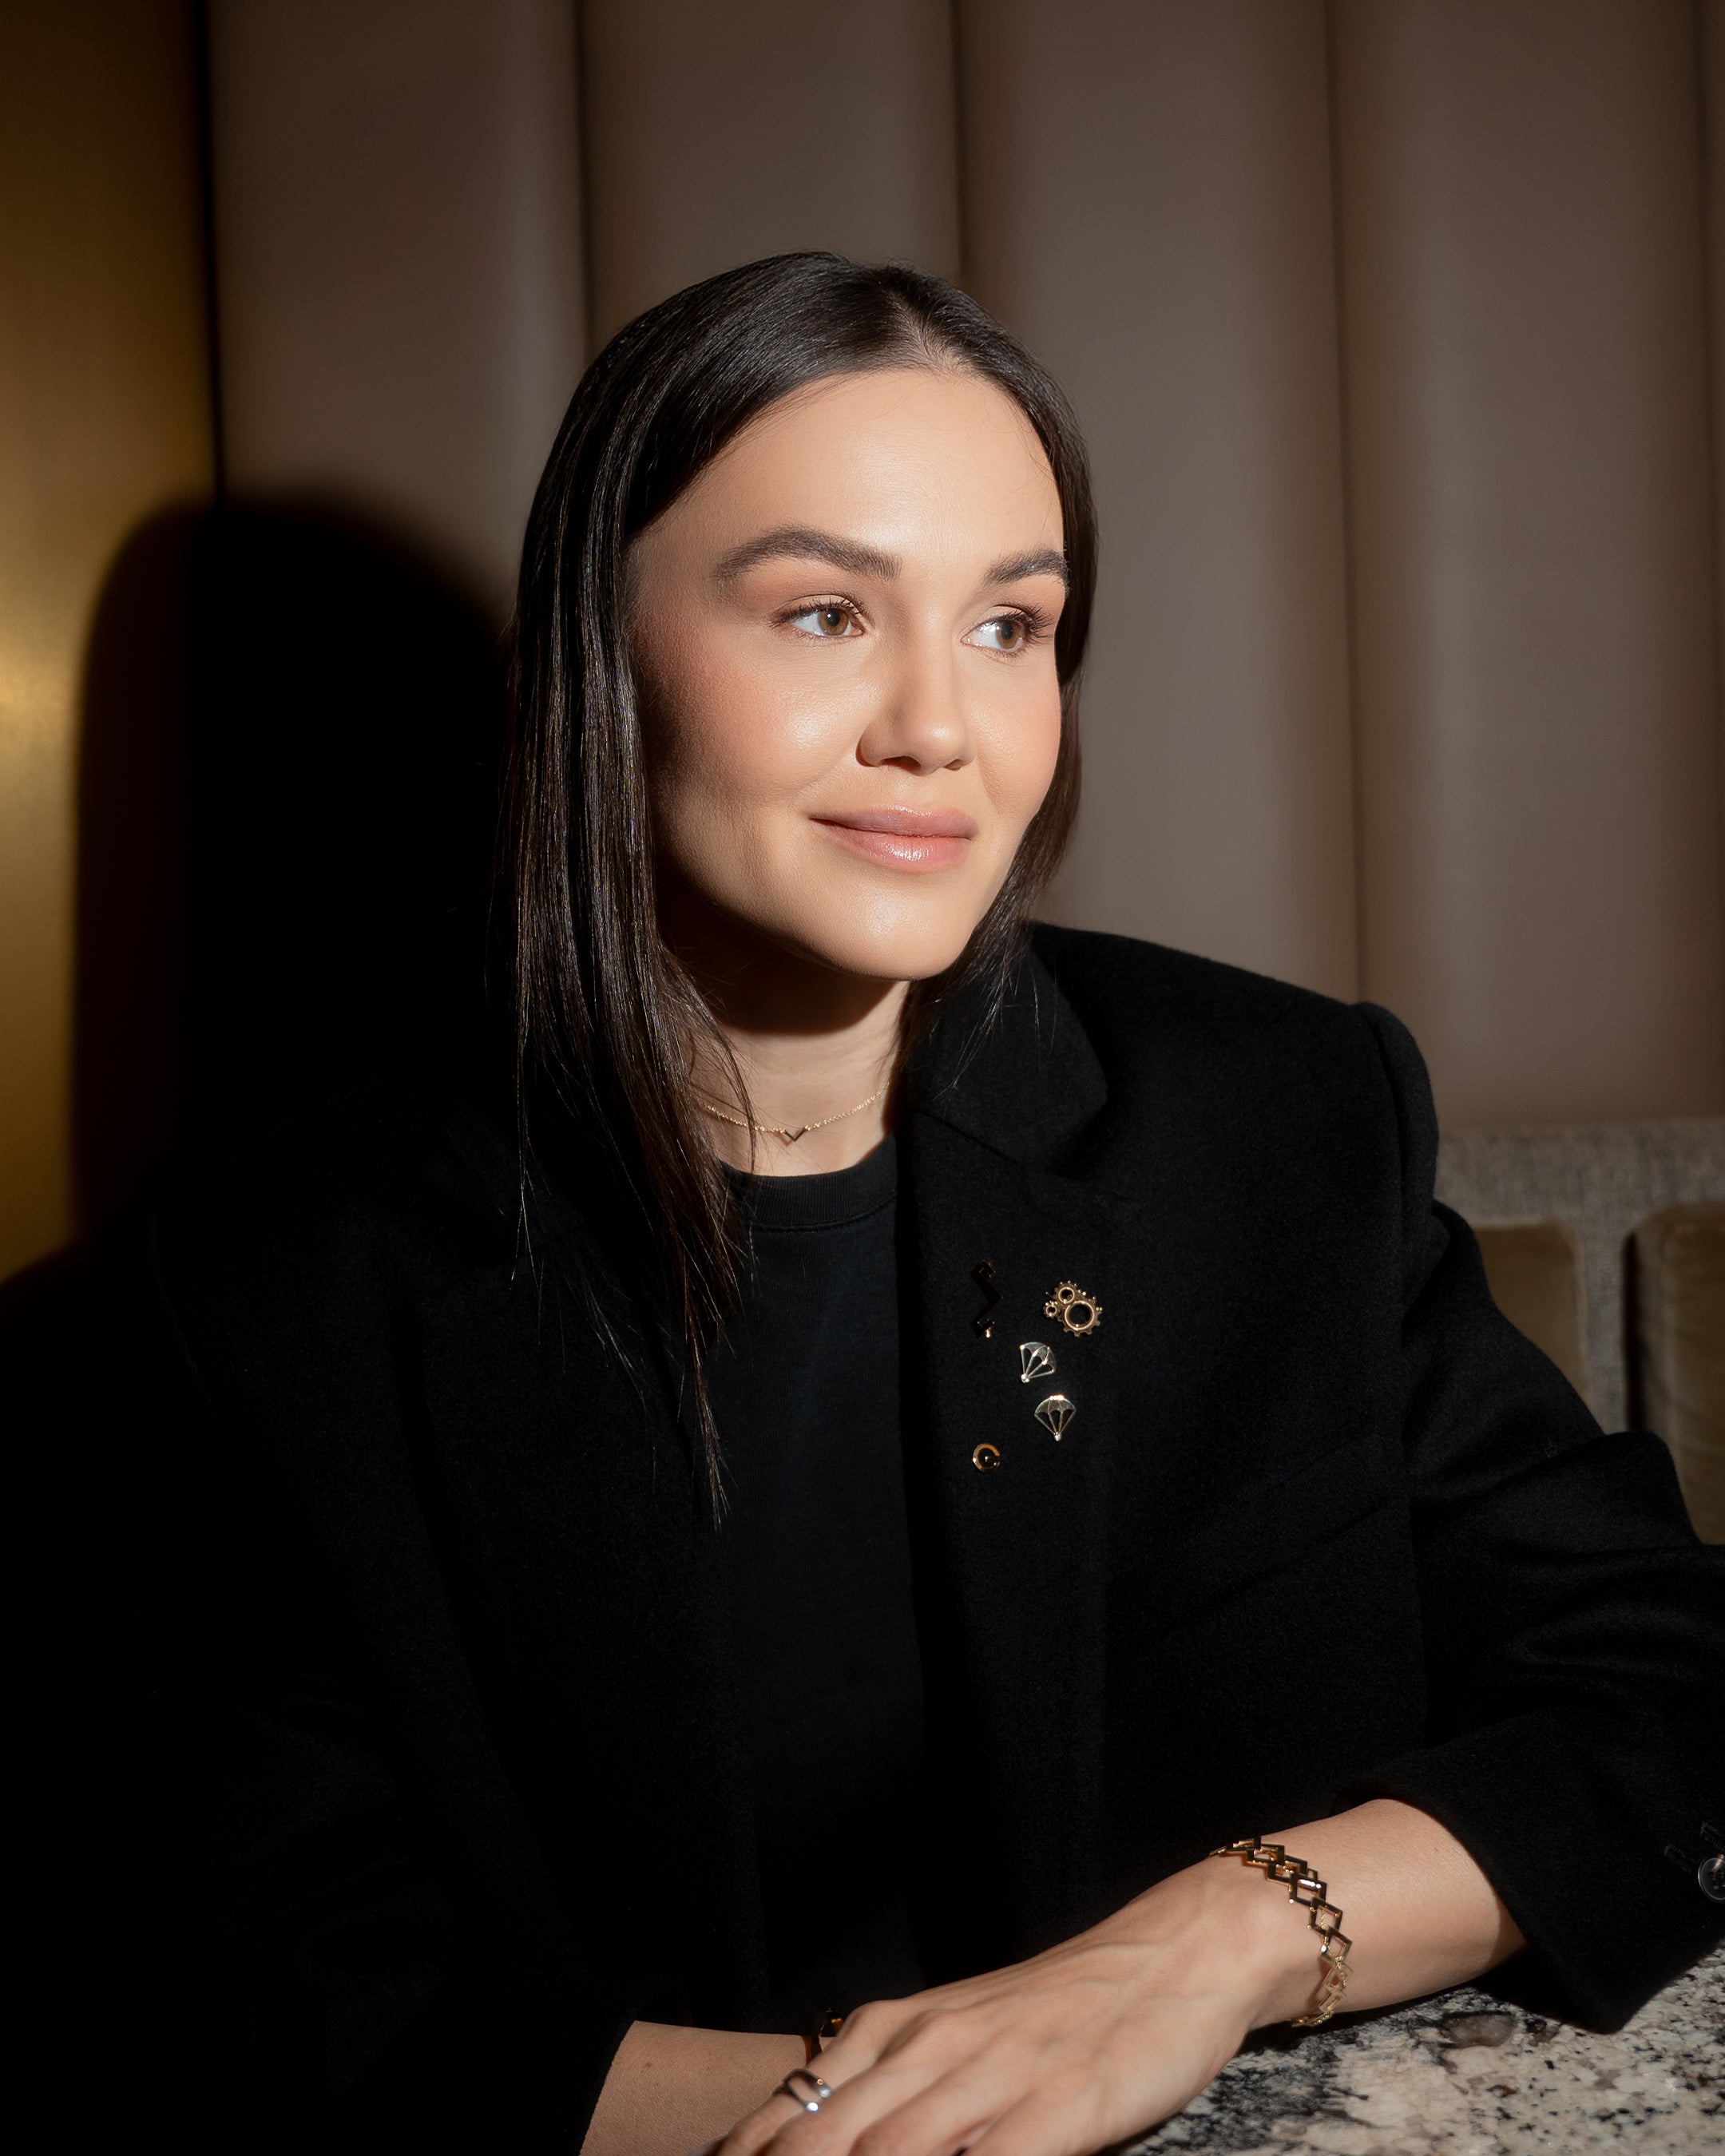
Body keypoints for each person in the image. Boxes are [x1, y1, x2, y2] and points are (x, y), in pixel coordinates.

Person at [114, 253, 1719, 2154]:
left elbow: (1666, 1682)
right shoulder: (276, 1285)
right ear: (597, 658)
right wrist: (916, 2111)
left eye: (1011, 625)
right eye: (821, 613)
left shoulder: (1278, 1119)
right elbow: (279, 1995)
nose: (939, 727)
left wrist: (1199, 1954)